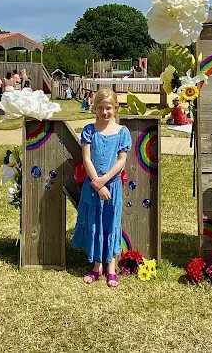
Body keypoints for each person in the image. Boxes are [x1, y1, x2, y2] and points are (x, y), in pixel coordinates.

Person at [72, 89, 132, 287]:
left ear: (115, 107)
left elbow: (121, 160)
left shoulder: (122, 132)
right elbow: (86, 159)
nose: (104, 112)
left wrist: (104, 180)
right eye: (100, 108)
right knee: (95, 222)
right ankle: (97, 266)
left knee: (111, 222)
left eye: (108, 108)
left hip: (112, 187)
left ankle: (111, 267)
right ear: (94, 108)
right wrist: (97, 184)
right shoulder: (89, 130)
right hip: (93, 187)